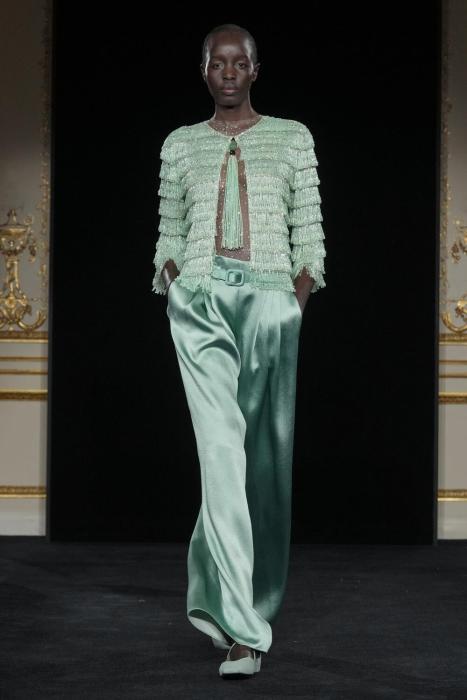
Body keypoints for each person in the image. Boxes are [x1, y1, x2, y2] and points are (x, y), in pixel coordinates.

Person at [152, 23, 326, 679]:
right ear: (203, 72)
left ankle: (228, 599)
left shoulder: (292, 137)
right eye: (216, 63)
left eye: (238, 62)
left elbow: (309, 233)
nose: (227, 72)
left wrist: (292, 304)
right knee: (222, 455)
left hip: (268, 308)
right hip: (199, 308)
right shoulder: (179, 144)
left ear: (255, 70)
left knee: (261, 467)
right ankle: (247, 637)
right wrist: (175, 284)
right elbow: (168, 232)